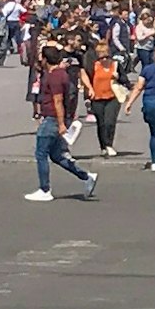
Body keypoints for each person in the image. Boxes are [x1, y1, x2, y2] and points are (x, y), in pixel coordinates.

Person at [27, 46, 99, 206]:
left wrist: (61, 123)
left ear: (46, 59)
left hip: (52, 118)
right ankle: (86, 176)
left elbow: (58, 100)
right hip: (56, 117)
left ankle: (44, 190)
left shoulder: (55, 77)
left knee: (41, 153)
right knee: (57, 155)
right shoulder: (60, 74)